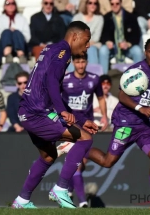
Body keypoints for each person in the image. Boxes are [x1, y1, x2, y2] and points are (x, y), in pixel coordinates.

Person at [60, 37, 150, 210]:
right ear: (145, 51)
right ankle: (78, 147)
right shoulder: (136, 71)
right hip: (126, 122)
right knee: (107, 162)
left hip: (143, 126)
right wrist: (140, 108)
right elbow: (121, 95)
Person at [11, 21, 99, 209]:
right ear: (75, 36)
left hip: (27, 111)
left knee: (48, 156)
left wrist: (82, 120)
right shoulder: (64, 53)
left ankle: (22, 200)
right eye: (87, 39)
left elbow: (53, 88)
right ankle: (60, 189)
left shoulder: (51, 49)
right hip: (37, 113)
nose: (88, 44)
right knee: (85, 139)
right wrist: (62, 112)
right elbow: (52, 81)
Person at [56, 53, 108, 208]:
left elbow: (100, 98)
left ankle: (68, 190)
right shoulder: (65, 80)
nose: (80, 65)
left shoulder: (94, 79)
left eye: (83, 61)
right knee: (78, 163)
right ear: (73, 63)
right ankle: (83, 202)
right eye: (77, 62)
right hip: (70, 124)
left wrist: (104, 116)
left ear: (86, 62)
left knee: (81, 163)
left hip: (87, 124)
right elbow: (55, 99)